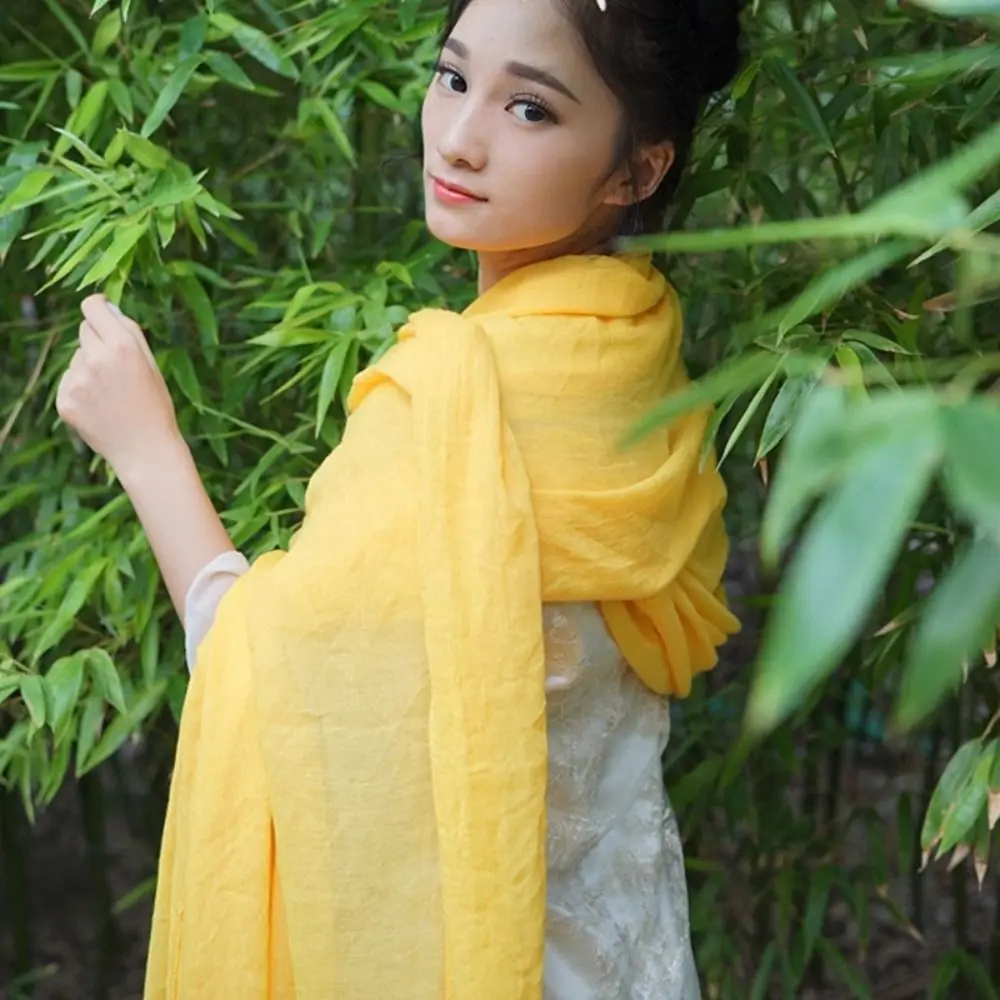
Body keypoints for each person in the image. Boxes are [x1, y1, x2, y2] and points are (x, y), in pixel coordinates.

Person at [56, 0, 743, 996]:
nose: (459, 138)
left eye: (530, 110)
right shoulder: (639, 356)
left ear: (637, 170)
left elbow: (281, 693)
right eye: (453, 78)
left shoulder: (462, 403)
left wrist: (145, 445)